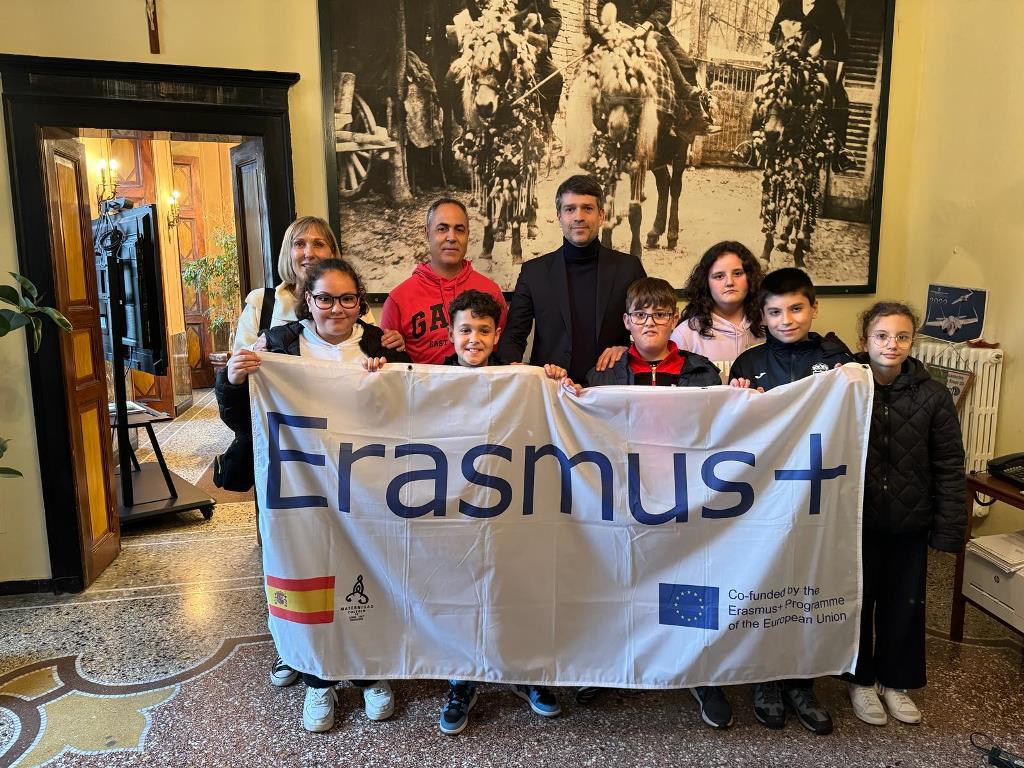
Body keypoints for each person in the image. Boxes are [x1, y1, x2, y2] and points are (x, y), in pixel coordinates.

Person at [216, 258, 411, 733]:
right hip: (300, 488)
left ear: (359, 302)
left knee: (368, 576)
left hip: (365, 488)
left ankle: (369, 673)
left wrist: (390, 373)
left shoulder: (377, 343)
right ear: (308, 299)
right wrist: (234, 379)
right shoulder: (279, 344)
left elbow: (406, 415)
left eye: (347, 299)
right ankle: (317, 678)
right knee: (308, 578)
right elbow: (246, 422)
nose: (336, 309)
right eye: (325, 298)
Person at [580, 277, 727, 724]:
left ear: (674, 320)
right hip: (625, 494)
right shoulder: (604, 373)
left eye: (660, 314)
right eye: (641, 315)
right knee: (620, 576)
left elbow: (723, 428)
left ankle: (702, 671)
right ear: (626, 322)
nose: (650, 323)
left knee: (692, 577)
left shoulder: (702, 372)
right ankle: (609, 664)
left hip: (685, 493)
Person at [437, 288, 573, 734]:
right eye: (465, 330)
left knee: (515, 589)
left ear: (497, 335)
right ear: (450, 333)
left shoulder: (520, 379)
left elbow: (551, 422)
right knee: (459, 593)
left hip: (511, 505)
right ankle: (462, 679)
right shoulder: (425, 380)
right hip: (453, 510)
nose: (473, 339)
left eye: (483, 330)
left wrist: (553, 381)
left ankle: (524, 672)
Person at [728, 267, 852, 735]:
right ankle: (766, 679)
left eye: (796, 308)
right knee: (767, 582)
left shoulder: (838, 360)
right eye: (776, 312)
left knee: (808, 585)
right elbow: (732, 431)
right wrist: (738, 400)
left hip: (818, 495)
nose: (787, 319)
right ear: (762, 316)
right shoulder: (749, 362)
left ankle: (802, 682)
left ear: (814, 308)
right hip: (766, 496)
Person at [844, 301, 965, 726]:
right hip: (857, 522)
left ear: (912, 342)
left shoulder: (933, 395)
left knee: (904, 606)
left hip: (910, 521)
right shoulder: (847, 387)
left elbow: (949, 464)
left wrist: (948, 528)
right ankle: (860, 680)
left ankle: (896, 681)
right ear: (865, 340)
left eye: (901, 337)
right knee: (858, 604)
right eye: (881, 336)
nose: (891, 345)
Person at [498, 174, 646, 383]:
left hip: (612, 388)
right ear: (559, 216)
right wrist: (513, 371)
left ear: (601, 215)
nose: (579, 217)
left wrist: (628, 349)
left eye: (587, 208)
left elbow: (649, 327)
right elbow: (514, 336)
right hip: (551, 389)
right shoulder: (534, 272)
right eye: (570, 209)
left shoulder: (629, 268)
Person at [232, 216, 400, 352]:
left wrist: (391, 343)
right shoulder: (261, 303)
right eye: (299, 244)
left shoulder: (352, 304)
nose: (309, 253)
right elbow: (237, 368)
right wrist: (255, 350)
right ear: (288, 253)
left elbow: (372, 354)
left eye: (318, 244)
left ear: (332, 253)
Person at [381, 198, 506, 364]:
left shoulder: (491, 292)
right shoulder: (398, 299)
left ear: (468, 235)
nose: (451, 237)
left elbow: (503, 357)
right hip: (423, 382)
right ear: (427, 233)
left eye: (459, 229)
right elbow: (388, 364)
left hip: (480, 381)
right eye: (442, 229)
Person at [768, 0, 854, 172]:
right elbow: (773, 35)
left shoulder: (829, 6)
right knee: (765, 84)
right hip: (790, 62)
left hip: (819, 64)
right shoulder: (789, 4)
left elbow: (841, 39)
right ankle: (753, 144)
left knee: (839, 95)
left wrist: (837, 65)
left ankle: (840, 151)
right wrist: (784, 39)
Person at [670, 241, 764, 368]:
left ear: (750, 277)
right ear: (706, 283)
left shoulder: (770, 326)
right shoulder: (685, 335)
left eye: (737, 273)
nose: (729, 282)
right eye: (719, 276)